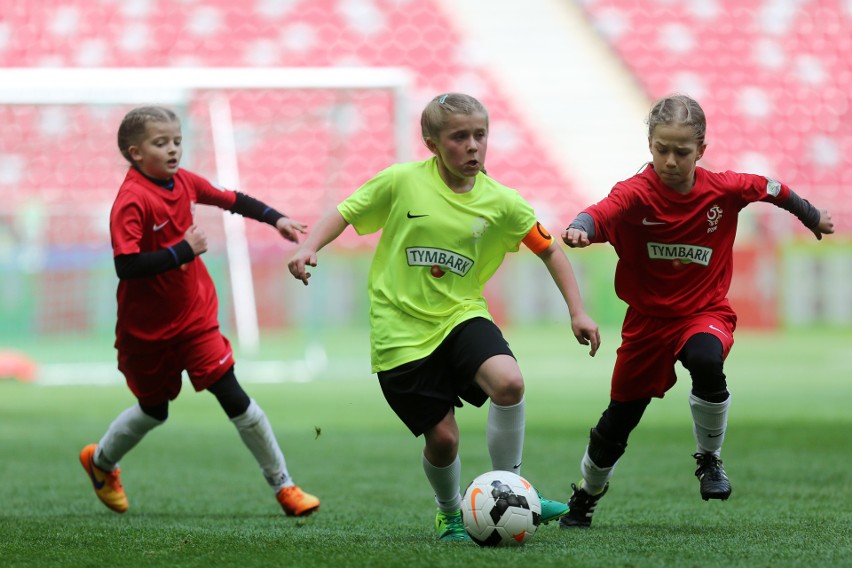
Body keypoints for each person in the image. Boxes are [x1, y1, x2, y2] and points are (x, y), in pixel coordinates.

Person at [287, 93, 601, 541]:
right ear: (432, 143)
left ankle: (511, 489)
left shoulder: (503, 202)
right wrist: (307, 247)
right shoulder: (400, 182)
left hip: (461, 316)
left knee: (509, 383)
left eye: (480, 135)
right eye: (459, 137)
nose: (473, 146)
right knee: (445, 440)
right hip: (400, 330)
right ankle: (450, 512)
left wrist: (578, 310)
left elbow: (550, 248)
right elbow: (345, 212)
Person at [558, 94, 835, 528]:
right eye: (661, 150)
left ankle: (709, 459)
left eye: (681, 152)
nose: (670, 160)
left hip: (703, 312)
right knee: (618, 422)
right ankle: (586, 495)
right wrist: (581, 227)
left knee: (706, 358)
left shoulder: (724, 188)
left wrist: (812, 216)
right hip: (647, 323)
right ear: (650, 145)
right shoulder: (635, 193)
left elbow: (773, 188)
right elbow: (600, 212)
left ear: (701, 151)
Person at [80, 106, 320, 518]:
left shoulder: (184, 181)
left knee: (234, 397)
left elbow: (231, 199)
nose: (173, 149)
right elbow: (127, 266)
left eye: (177, 141)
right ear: (136, 153)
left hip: (195, 319)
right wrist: (182, 251)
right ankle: (101, 463)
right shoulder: (132, 200)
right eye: (162, 143)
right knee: (154, 410)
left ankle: (285, 486)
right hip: (146, 330)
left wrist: (274, 218)